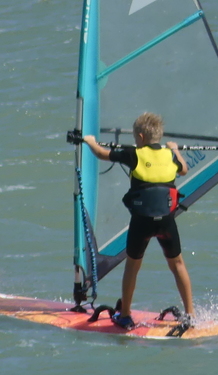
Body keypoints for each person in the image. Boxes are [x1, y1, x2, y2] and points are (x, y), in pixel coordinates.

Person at [80, 112, 194, 330]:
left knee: (132, 266)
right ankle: (190, 315)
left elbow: (102, 154)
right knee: (178, 264)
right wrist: (175, 150)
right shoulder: (169, 155)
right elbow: (184, 169)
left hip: (142, 222)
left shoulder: (134, 154)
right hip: (166, 221)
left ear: (140, 137)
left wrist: (90, 141)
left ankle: (125, 316)